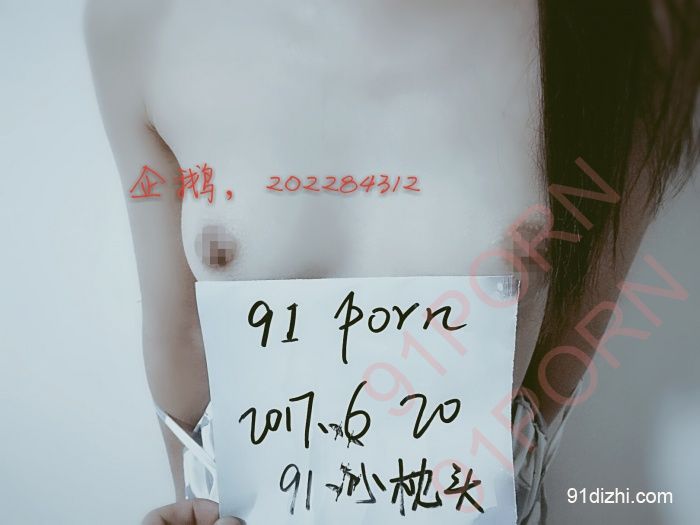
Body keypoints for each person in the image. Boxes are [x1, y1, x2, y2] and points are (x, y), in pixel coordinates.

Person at [84, 0, 699, 523]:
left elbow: (561, 354)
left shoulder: (632, 30)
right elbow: (180, 334)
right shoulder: (139, 21)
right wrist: (192, 504)